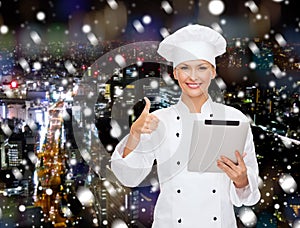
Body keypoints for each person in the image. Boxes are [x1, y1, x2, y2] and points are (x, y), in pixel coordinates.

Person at [110, 24, 261, 227]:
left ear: (213, 72)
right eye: (184, 68)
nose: (193, 77)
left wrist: (242, 180)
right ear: (174, 73)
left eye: (202, 68)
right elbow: (128, 177)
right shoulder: (159, 120)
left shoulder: (235, 119)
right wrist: (135, 134)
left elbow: (249, 197)